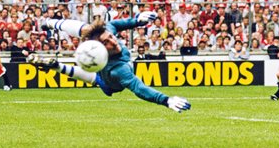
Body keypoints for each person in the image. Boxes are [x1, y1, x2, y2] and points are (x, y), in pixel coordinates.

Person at [27, 12, 191, 113]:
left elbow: (115, 25)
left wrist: (137, 20)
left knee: (87, 29)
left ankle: (50, 23)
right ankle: (57, 66)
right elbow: (139, 88)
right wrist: (166, 100)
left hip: (100, 64)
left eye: (110, 37)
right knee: (95, 79)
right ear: (100, 49)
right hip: (109, 83)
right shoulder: (118, 70)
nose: (113, 42)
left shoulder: (109, 32)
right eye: (106, 43)